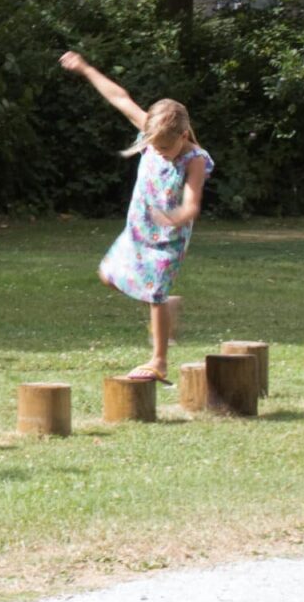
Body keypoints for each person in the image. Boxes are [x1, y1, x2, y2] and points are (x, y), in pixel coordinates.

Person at [60, 50, 213, 383]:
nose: (157, 152)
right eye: (153, 147)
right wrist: (85, 68)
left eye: (164, 149)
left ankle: (158, 361)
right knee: (108, 275)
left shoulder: (195, 159)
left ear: (183, 137)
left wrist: (173, 218)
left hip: (169, 237)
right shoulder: (150, 131)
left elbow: (192, 205)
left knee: (154, 294)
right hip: (138, 230)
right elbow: (119, 97)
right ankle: (166, 309)